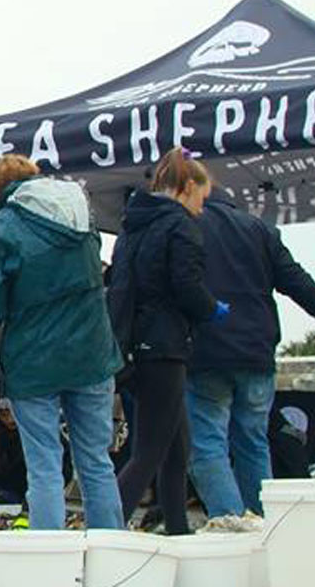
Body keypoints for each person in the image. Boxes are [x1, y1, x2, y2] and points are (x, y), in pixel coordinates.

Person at [0, 154, 125, 530]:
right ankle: (111, 557)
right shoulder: (82, 216)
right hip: (92, 354)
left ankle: (49, 564)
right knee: (96, 462)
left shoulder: (2, 230)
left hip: (34, 362)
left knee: (44, 468)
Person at [186, 188, 315, 518]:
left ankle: (231, 523)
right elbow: (295, 279)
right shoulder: (259, 229)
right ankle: (263, 523)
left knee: (207, 444)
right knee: (254, 441)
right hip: (257, 352)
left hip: (207, 351)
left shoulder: (188, 226)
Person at [108, 148, 223, 535]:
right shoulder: (181, 226)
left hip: (133, 346)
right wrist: (212, 309)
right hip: (166, 346)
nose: (202, 209)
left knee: (176, 448)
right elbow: (186, 285)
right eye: (202, 199)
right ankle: (103, 531)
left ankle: (177, 529)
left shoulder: (132, 226)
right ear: (188, 187)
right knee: (149, 453)